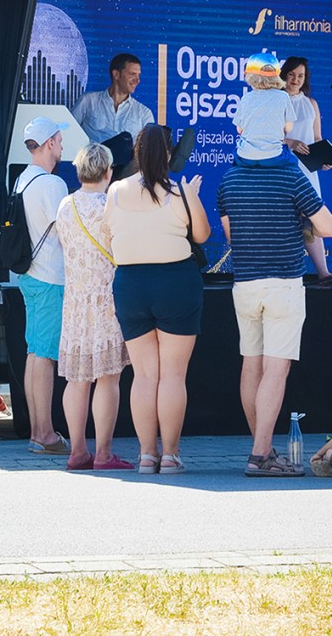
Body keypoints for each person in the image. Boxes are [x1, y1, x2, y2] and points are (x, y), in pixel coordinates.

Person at [218, 134, 332, 476]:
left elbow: (230, 235)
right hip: (283, 283)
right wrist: (299, 216)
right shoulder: (291, 176)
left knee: (251, 364)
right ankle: (260, 455)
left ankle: (263, 449)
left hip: (245, 284)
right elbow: (329, 228)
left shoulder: (229, 178)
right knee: (275, 369)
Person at [104, 124, 210, 473]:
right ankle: (170, 455)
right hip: (175, 283)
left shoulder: (115, 190)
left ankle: (147, 455)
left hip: (130, 285)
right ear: (168, 153)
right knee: (173, 376)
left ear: (136, 152)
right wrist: (193, 197)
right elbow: (202, 235)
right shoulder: (180, 192)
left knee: (145, 375)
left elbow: (108, 233)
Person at [54, 142, 133, 471]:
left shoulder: (65, 205)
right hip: (107, 300)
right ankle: (103, 453)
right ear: (108, 172)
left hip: (75, 302)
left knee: (77, 379)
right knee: (108, 378)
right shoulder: (112, 205)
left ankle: (77, 451)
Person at [14, 115, 72, 454]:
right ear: (49, 143)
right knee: (46, 356)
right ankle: (46, 434)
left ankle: (37, 432)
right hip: (51, 276)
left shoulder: (23, 179)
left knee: (34, 352)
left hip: (29, 275)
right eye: (59, 140)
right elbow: (68, 232)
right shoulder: (53, 184)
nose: (62, 146)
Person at [281, 56, 332, 283]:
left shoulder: (311, 103)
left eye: (301, 76)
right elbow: (267, 137)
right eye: (292, 74)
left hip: (308, 170)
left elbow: (316, 137)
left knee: (311, 218)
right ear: (284, 75)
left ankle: (323, 273)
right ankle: (286, 273)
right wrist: (290, 142)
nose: (296, 79)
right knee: (287, 218)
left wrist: (323, 158)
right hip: (283, 167)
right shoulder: (276, 102)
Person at [75, 52, 153, 149]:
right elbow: (67, 132)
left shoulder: (144, 114)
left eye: (138, 75)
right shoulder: (88, 101)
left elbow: (149, 150)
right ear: (116, 74)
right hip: (92, 158)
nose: (137, 80)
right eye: (132, 74)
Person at [232, 52, 295, 165]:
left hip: (246, 157)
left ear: (250, 77)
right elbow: (289, 127)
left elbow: (239, 130)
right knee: (294, 162)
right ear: (277, 76)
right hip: (274, 156)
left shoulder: (246, 98)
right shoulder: (283, 97)